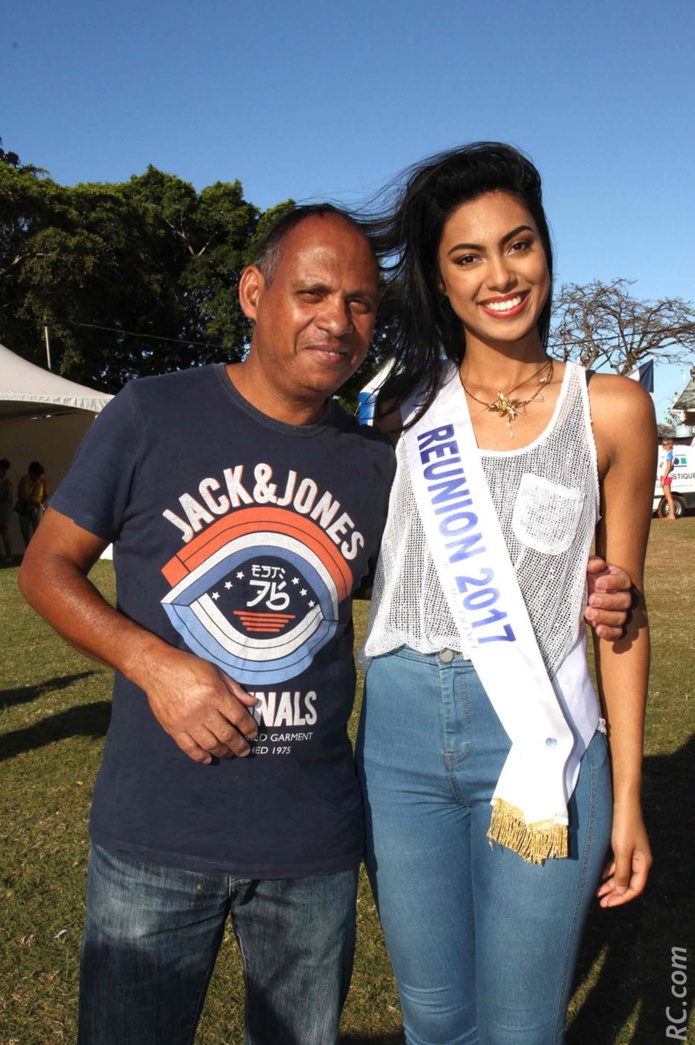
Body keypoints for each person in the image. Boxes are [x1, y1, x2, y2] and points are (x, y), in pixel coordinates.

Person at [19, 201, 630, 1045]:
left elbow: (443, 584)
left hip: (311, 845)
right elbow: (45, 567)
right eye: (311, 294)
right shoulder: (151, 411)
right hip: (156, 833)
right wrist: (157, 666)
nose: (335, 322)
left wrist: (591, 584)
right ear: (251, 292)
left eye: (359, 304)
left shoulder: (375, 453)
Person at [356, 144, 655, 1045]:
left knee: (523, 1025)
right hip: (400, 734)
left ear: (547, 251)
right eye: (468, 256)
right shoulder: (401, 408)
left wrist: (632, 795)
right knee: (435, 1016)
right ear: (438, 283)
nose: (500, 274)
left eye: (517, 244)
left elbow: (625, 615)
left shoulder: (610, 410)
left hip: (538, 732)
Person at [16, 460, 49, 547]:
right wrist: (31, 500)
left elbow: (46, 494)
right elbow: (20, 495)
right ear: (31, 474)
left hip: (36, 509)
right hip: (25, 508)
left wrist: (41, 504)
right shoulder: (24, 480)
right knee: (25, 531)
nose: (37, 478)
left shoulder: (42, 481)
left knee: (38, 531)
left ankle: (38, 550)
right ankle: (28, 550)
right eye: (36, 476)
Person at [659, 439, 677, 520]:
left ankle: (672, 514)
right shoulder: (667, 454)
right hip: (665, 476)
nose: (663, 446)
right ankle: (671, 514)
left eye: (664, 444)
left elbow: (668, 467)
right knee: (667, 495)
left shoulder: (670, 454)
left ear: (669, 445)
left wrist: (664, 479)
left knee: (668, 496)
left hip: (666, 476)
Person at [0, 457, 13, 561]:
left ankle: (8, 555)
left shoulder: (7, 483)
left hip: (4, 509)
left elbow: (7, 497)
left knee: (4, 531)